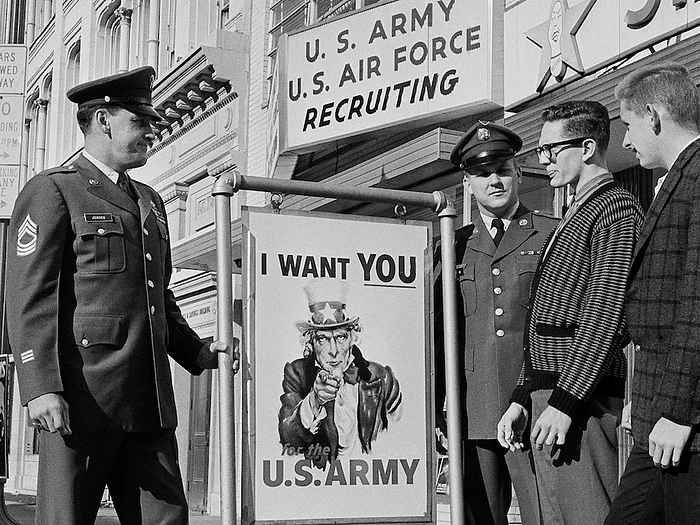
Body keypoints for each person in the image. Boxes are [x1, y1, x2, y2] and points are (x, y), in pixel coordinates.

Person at [6, 66, 238, 525]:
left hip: (149, 403)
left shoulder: (150, 200)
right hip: (82, 403)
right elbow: (29, 297)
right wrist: (40, 388)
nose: (152, 132)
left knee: (166, 520)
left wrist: (197, 351)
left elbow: (157, 295)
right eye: (139, 121)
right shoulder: (55, 190)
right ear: (103, 121)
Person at [497, 100, 644, 524]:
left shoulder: (615, 208)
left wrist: (566, 401)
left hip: (583, 404)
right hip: (556, 399)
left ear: (587, 147)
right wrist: (523, 395)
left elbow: (605, 311)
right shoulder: (576, 211)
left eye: (550, 149)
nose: (543, 160)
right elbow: (547, 317)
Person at [435, 121, 558, 524]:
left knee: (547, 516)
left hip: (539, 405)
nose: (495, 180)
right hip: (476, 409)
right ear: (467, 183)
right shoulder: (452, 245)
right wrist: (437, 408)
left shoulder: (551, 234)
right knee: (481, 518)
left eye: (503, 170)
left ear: (519, 173)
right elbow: (440, 333)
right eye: (483, 173)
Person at [605, 62, 700, 525]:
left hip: (684, 423)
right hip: (660, 415)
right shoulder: (682, 175)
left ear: (654, 116)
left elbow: (697, 304)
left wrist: (678, 411)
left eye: (628, 125)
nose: (625, 141)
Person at [278, 278, 402, 469]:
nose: (333, 351)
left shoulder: (380, 377)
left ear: (352, 337)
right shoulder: (297, 374)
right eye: (322, 339)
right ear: (310, 343)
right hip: (321, 481)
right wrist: (314, 400)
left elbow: (400, 436)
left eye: (341, 337)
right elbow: (288, 438)